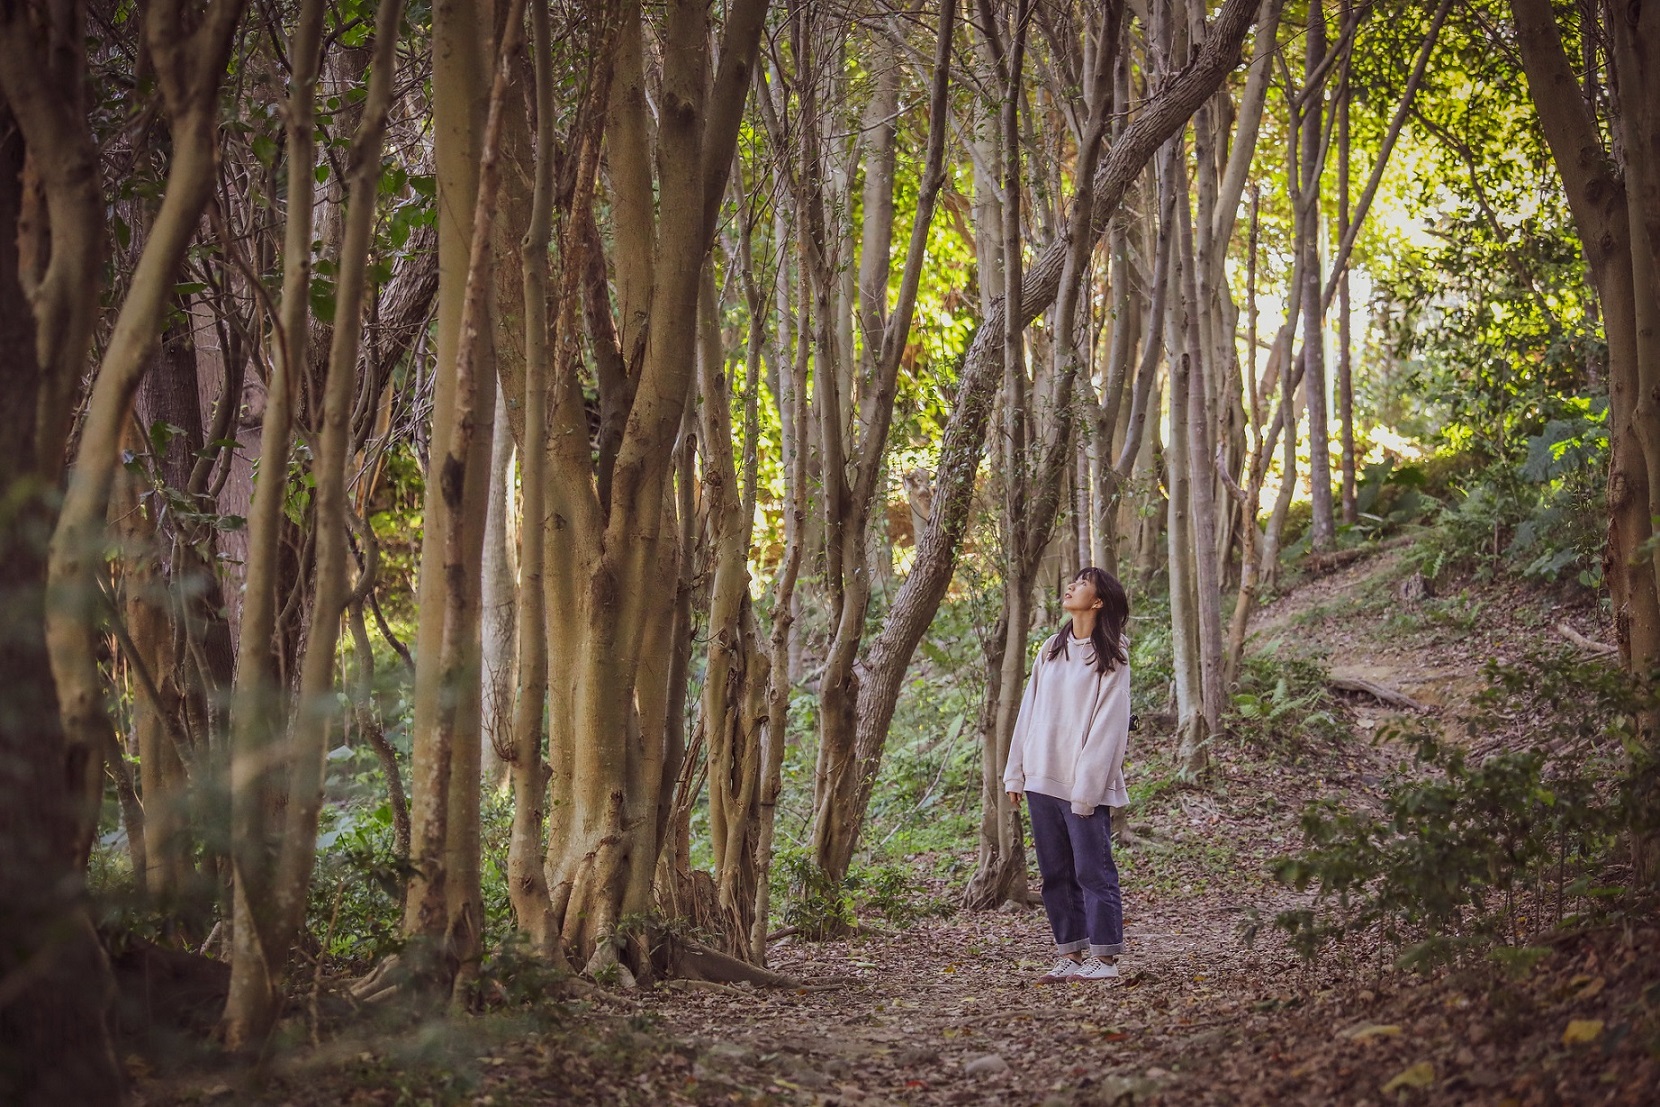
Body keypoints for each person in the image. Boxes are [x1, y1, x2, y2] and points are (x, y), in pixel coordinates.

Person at [1004, 566, 1132, 984]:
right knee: (1055, 872)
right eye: (1072, 581)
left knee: (1092, 870)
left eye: (1082, 583)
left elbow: (1108, 727)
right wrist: (1015, 773)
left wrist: (1087, 789)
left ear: (1097, 602)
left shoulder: (1113, 656)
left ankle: (1106, 959)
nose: (1071, 586)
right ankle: (1071, 954)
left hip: (1082, 785)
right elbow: (1030, 710)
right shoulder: (1051, 648)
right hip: (1041, 777)